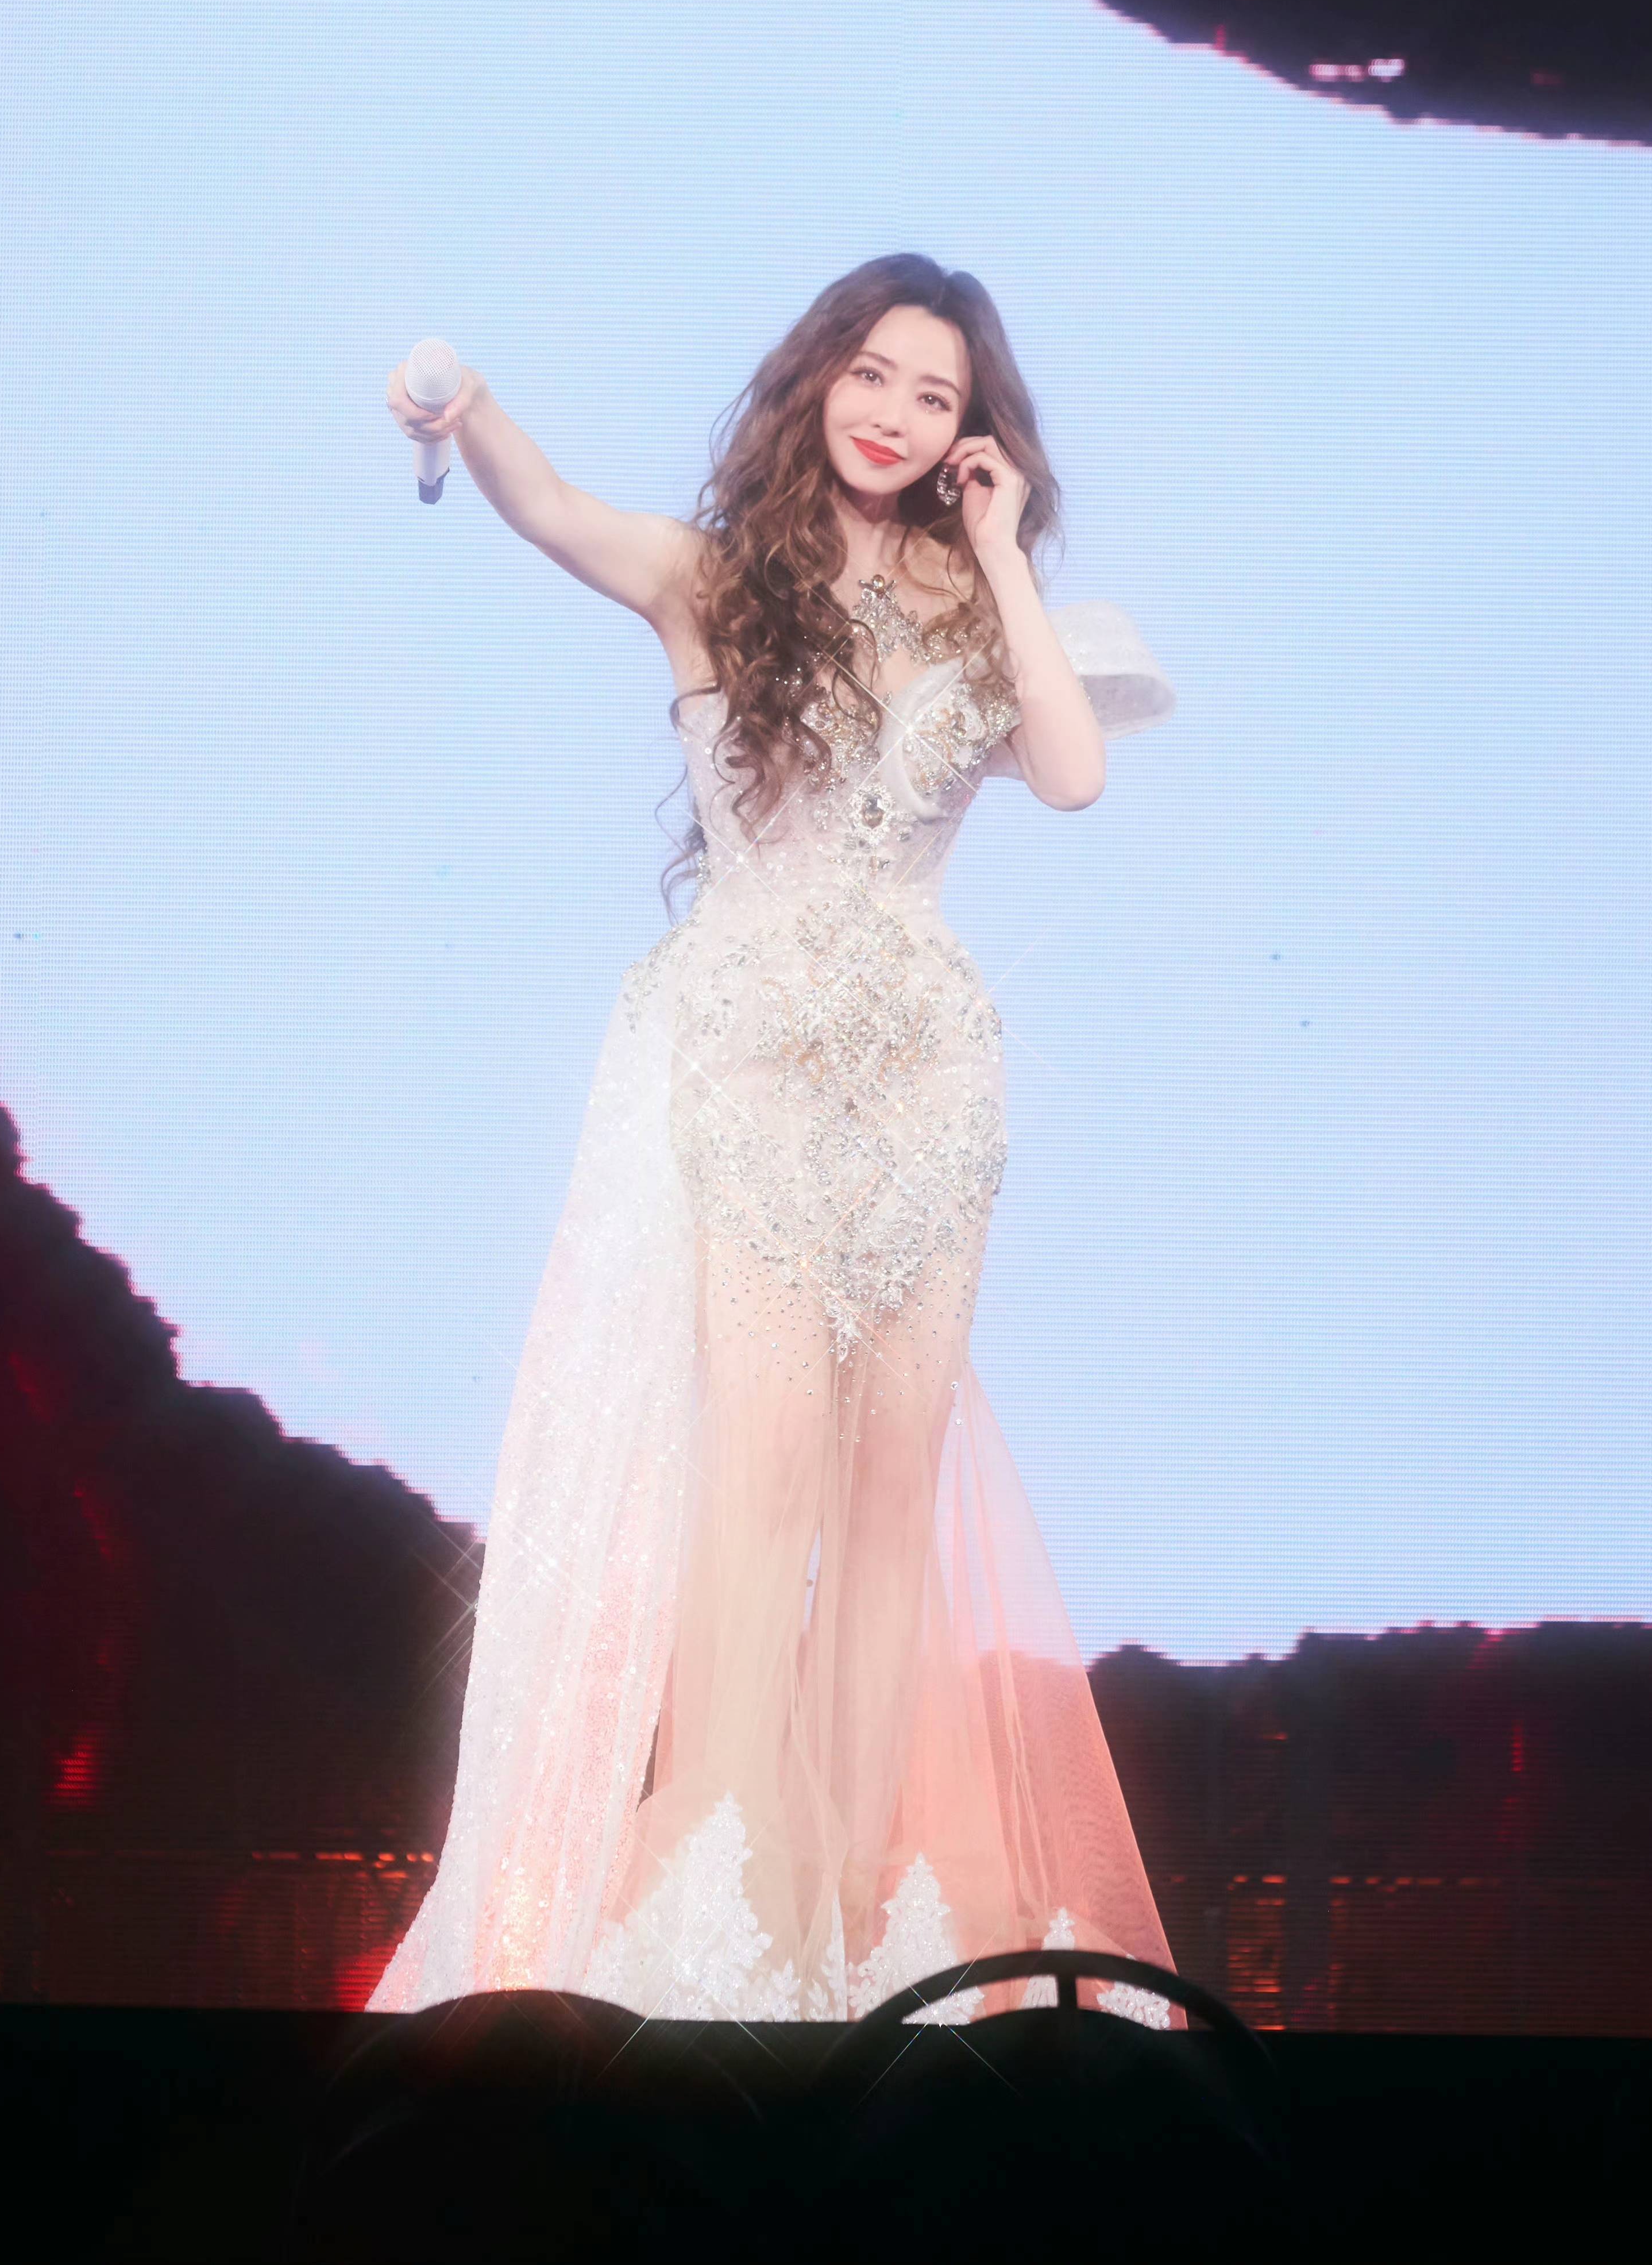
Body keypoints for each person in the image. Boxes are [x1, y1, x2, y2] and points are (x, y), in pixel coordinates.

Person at [376, 255, 1176, 2025]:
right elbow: (554, 512)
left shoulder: (977, 606)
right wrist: (467, 410)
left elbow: (1071, 774)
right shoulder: (715, 582)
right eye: (870, 375)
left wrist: (1002, 551)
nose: (892, 414)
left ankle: (857, 1908)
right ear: (818, 378)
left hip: (926, 1086)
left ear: (970, 436)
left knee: (888, 1502)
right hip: (750, 1071)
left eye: (935, 398)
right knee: (760, 1490)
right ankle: (737, 1910)